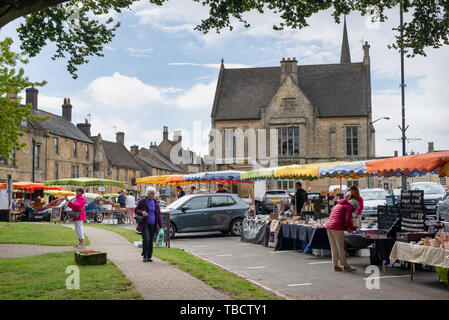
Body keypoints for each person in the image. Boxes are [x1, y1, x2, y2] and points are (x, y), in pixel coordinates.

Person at [325, 198, 359, 272]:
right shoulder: (349, 207)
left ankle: (336, 265)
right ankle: (345, 265)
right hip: (337, 227)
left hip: (329, 226)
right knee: (341, 247)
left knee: (333, 247)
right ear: (354, 207)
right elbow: (347, 220)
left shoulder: (338, 205)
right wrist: (350, 228)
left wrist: (346, 228)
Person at [135, 187, 164, 262]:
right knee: (146, 239)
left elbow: (159, 214)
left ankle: (149, 256)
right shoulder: (143, 201)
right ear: (148, 193)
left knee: (151, 240)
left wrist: (161, 225)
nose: (153, 195)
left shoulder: (155, 202)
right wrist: (142, 212)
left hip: (153, 224)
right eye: (151, 193)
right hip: (145, 223)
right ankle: (144, 256)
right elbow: (136, 210)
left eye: (153, 193)